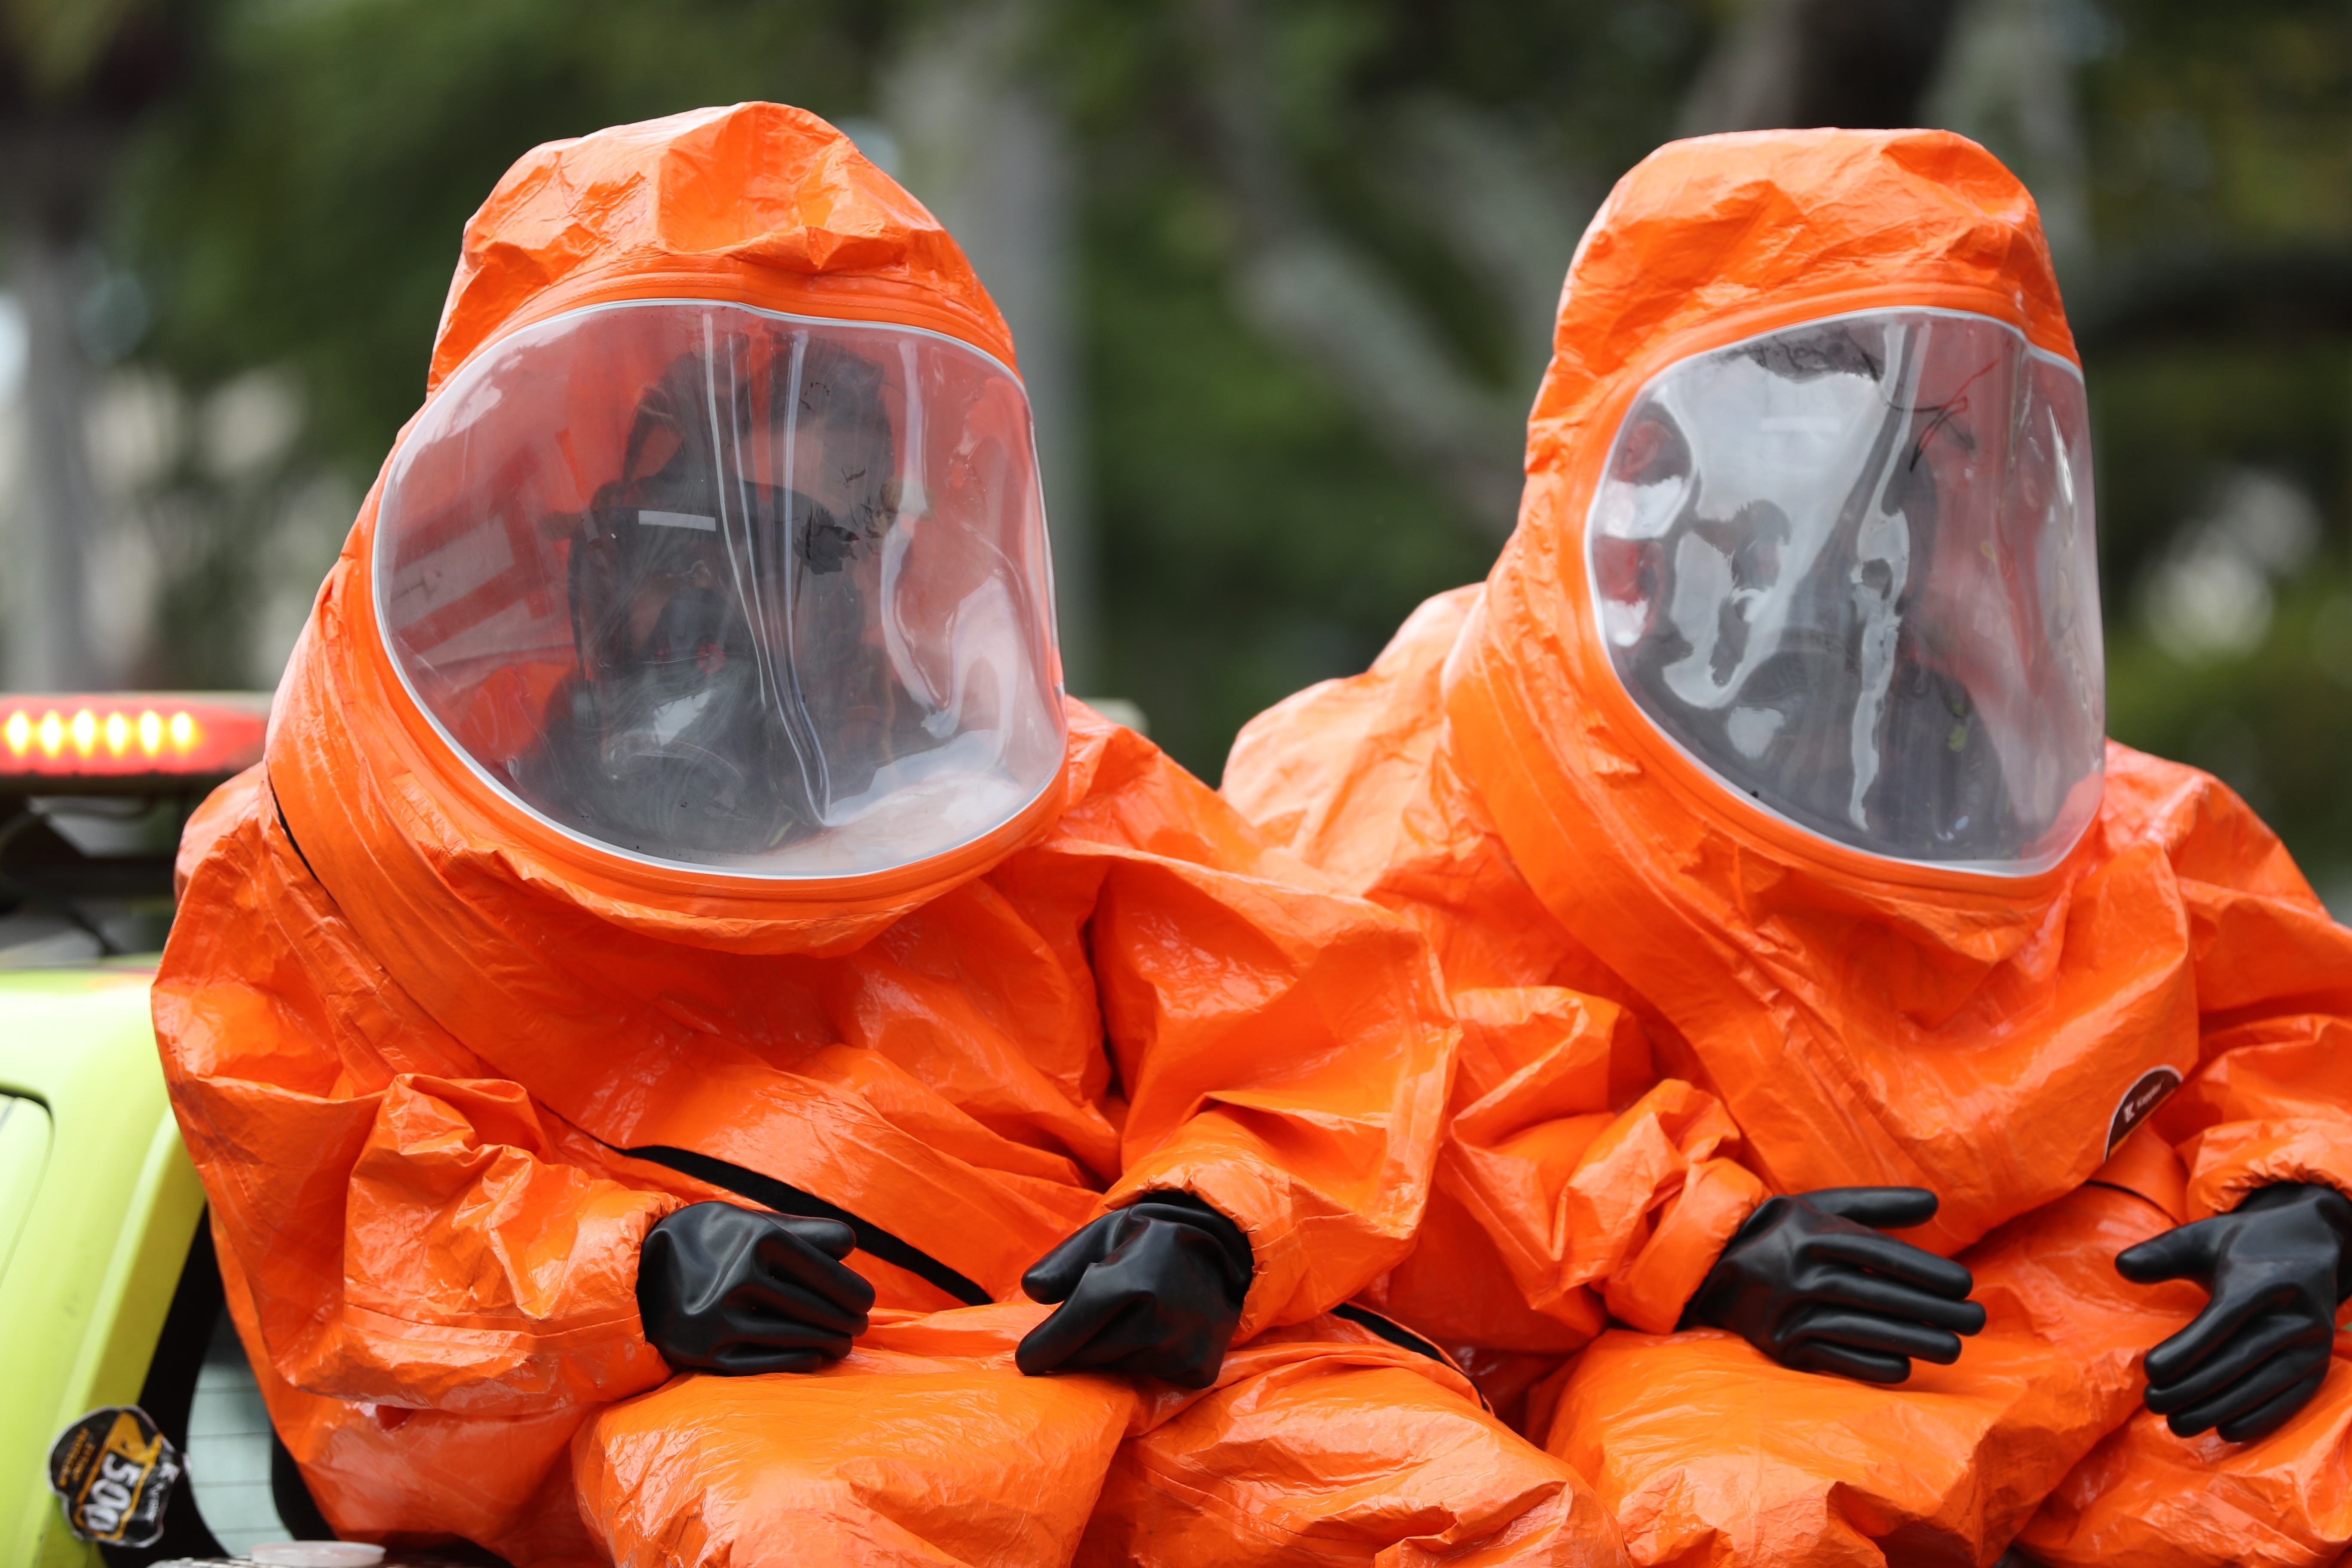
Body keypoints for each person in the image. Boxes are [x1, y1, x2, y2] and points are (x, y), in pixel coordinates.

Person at [153, 103, 1629, 1568]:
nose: (735, 602)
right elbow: (336, 1221)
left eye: (808, 550)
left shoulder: (1048, 800)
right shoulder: (335, 868)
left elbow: (1322, 1048)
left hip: (1142, 1382)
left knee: (1487, 1515)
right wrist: (637, 1275)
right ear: (583, 548)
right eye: (688, 530)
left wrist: (1211, 1229)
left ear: (883, 577)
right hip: (754, 1420)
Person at [1222, 127, 2352, 1568]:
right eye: (1822, 411)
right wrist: (1705, 1242)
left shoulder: (2075, 801)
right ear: (1643, 458)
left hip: (2105, 1298)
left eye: (1940, 440)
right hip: (1712, 1354)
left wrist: (2299, 1210)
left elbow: (2291, 1010)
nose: (1885, 499)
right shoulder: (1408, 766)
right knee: (1739, 1517)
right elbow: (1360, 1094)